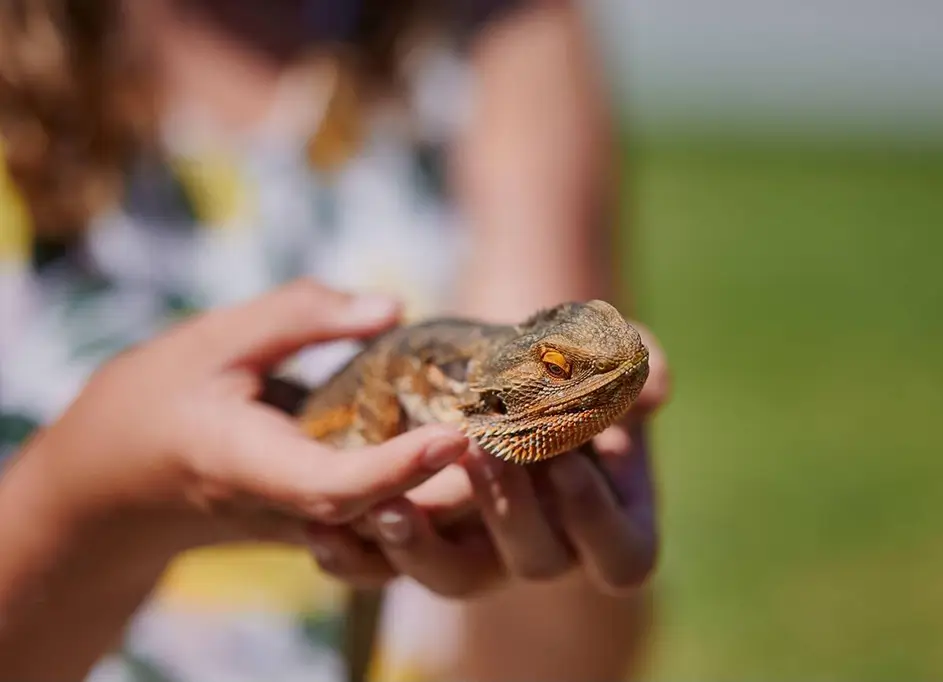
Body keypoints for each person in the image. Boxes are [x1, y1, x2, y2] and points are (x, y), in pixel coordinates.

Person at [0, 1, 670, 681]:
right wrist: (94, 501)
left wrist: (571, 513)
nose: (592, 366)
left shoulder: (493, 27)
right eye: (560, 366)